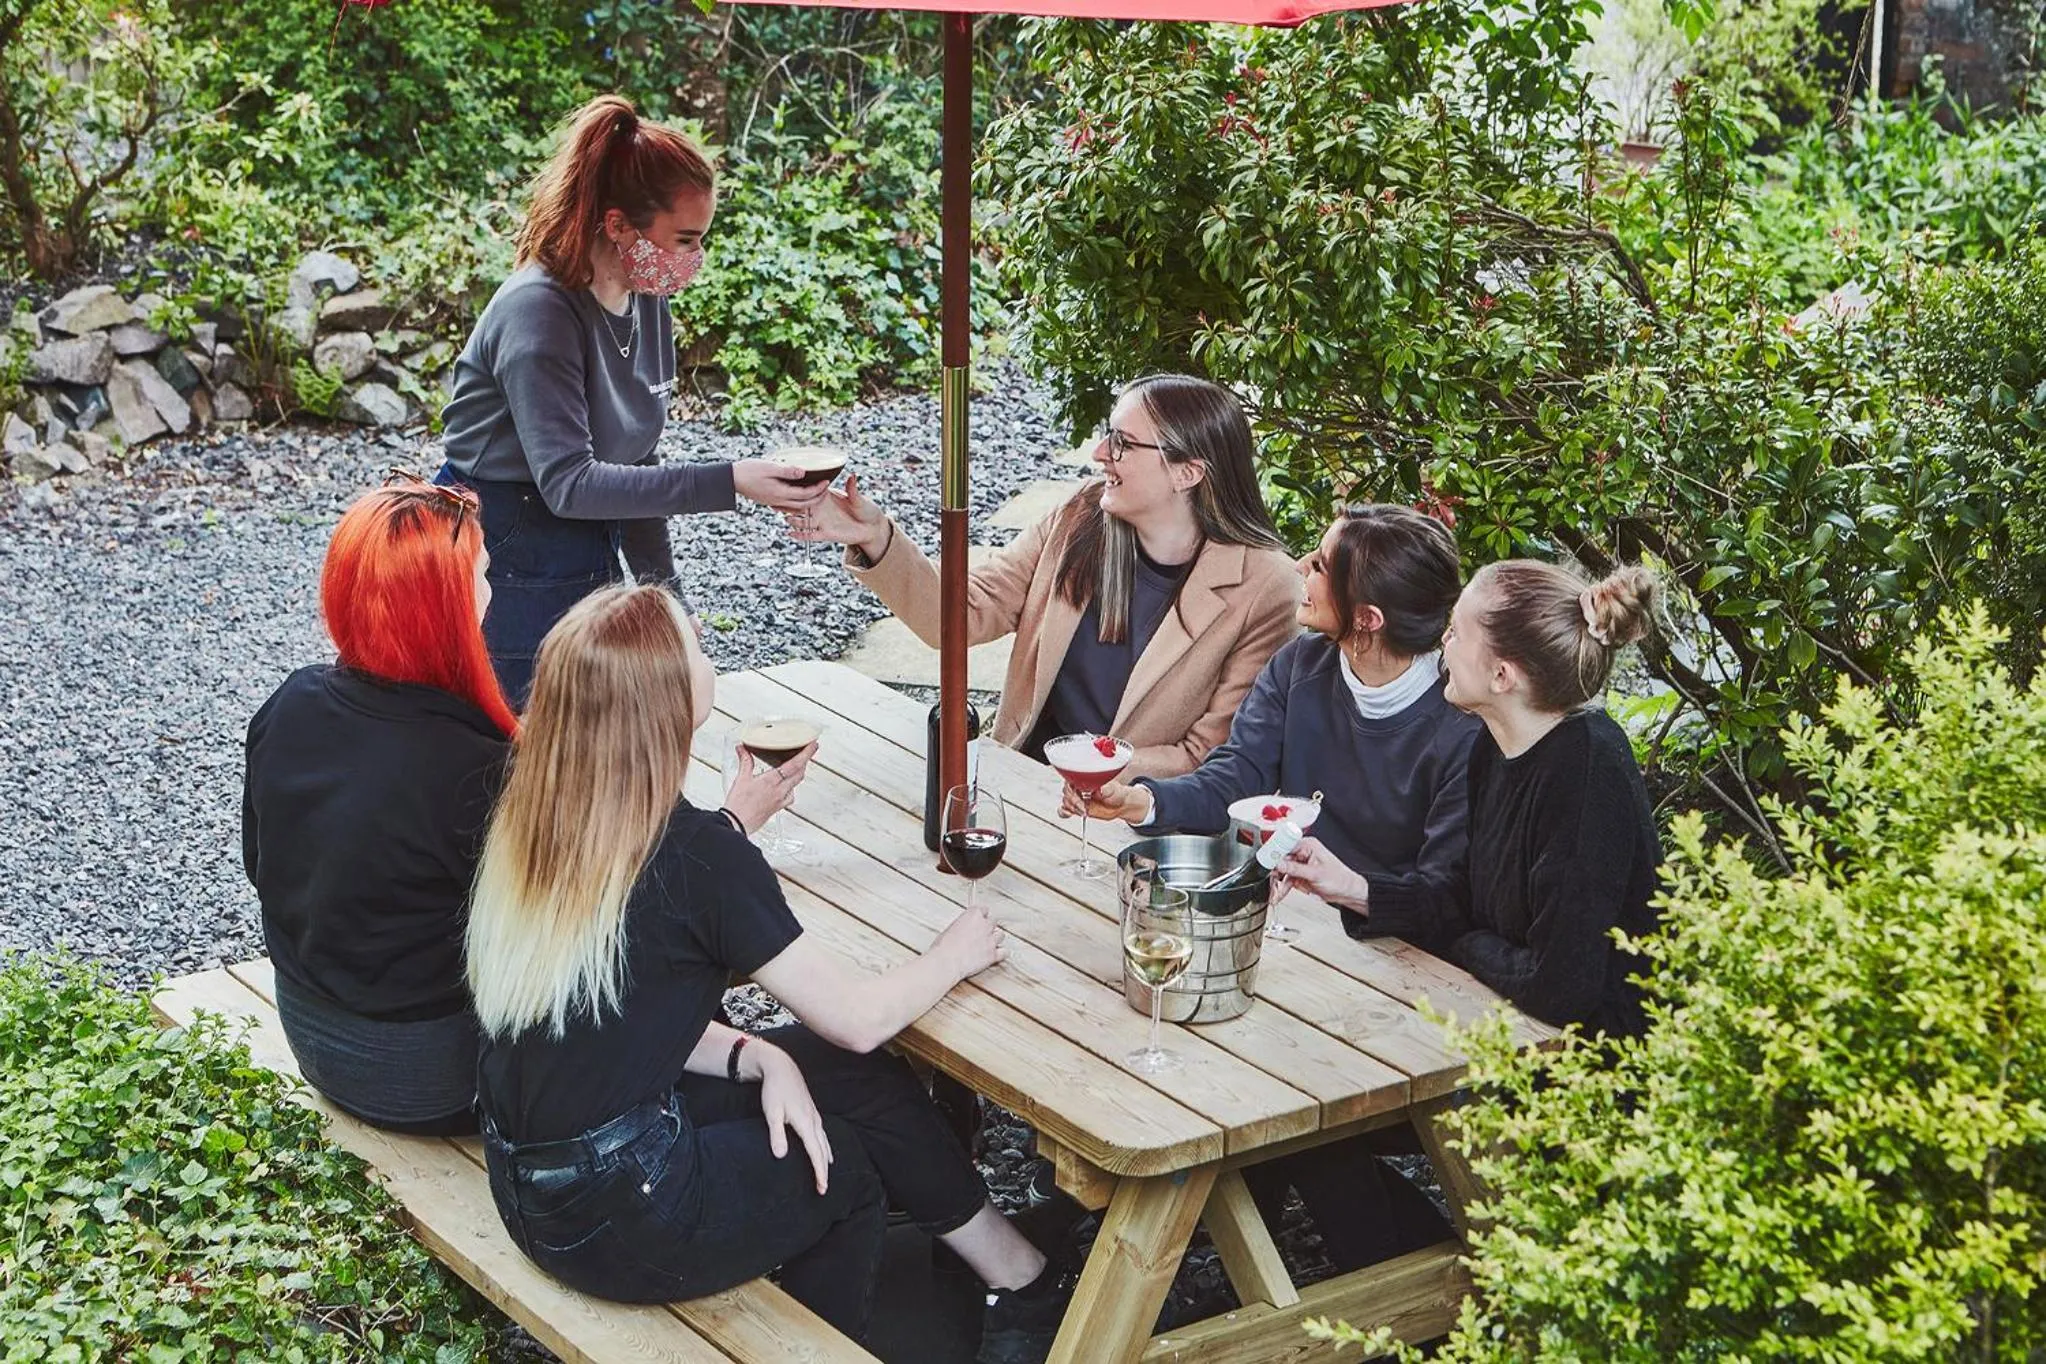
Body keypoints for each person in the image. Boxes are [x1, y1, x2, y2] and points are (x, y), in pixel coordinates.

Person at [465, 584, 1076, 1363]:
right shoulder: (697, 856)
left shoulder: (543, 815)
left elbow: (615, 1017)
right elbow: (856, 1013)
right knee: (845, 1169)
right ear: (669, 702)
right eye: (700, 651)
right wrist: (951, 955)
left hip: (534, 1182)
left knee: (847, 1076)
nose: (711, 661)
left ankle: (1017, 1275)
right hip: (620, 1217)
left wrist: (761, 1055)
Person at [436, 94, 825, 702]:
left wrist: (664, 594)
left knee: (586, 728)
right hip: (505, 540)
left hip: (585, 532)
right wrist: (732, 479)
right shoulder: (539, 314)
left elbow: (635, 462)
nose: (695, 260)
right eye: (685, 240)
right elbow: (570, 483)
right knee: (521, 738)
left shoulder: (647, 295)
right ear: (619, 225)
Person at [791, 374, 1300, 779]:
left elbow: (1210, 758)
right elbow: (962, 617)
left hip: (1137, 822)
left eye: (1122, 444)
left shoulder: (1264, 586)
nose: (1100, 453)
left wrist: (1089, 770)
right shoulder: (1080, 515)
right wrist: (875, 536)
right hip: (1019, 783)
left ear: (1187, 473)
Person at [1283, 559, 1666, 1036]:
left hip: (1594, 1069)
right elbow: (1458, 898)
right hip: (1501, 1023)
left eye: (1457, 633)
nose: (1443, 643)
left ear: (1502, 676)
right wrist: (1349, 886)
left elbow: (1560, 986)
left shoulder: (1587, 769)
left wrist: (1464, 943)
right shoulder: (1493, 742)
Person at [242, 473, 515, 1135]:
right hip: (428, 1079)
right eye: (479, 574)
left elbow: (261, 865)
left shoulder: (293, 703)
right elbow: (551, 936)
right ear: (440, 607)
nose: (492, 589)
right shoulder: (471, 767)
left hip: (311, 1032)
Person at [1071, 503, 1478, 945]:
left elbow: (1445, 896)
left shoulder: (1463, 728)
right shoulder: (1299, 666)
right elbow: (1236, 776)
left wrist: (1352, 891)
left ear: (1367, 618)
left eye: (1320, 566)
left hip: (1395, 950)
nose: (1301, 567)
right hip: (1293, 925)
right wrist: (1139, 801)